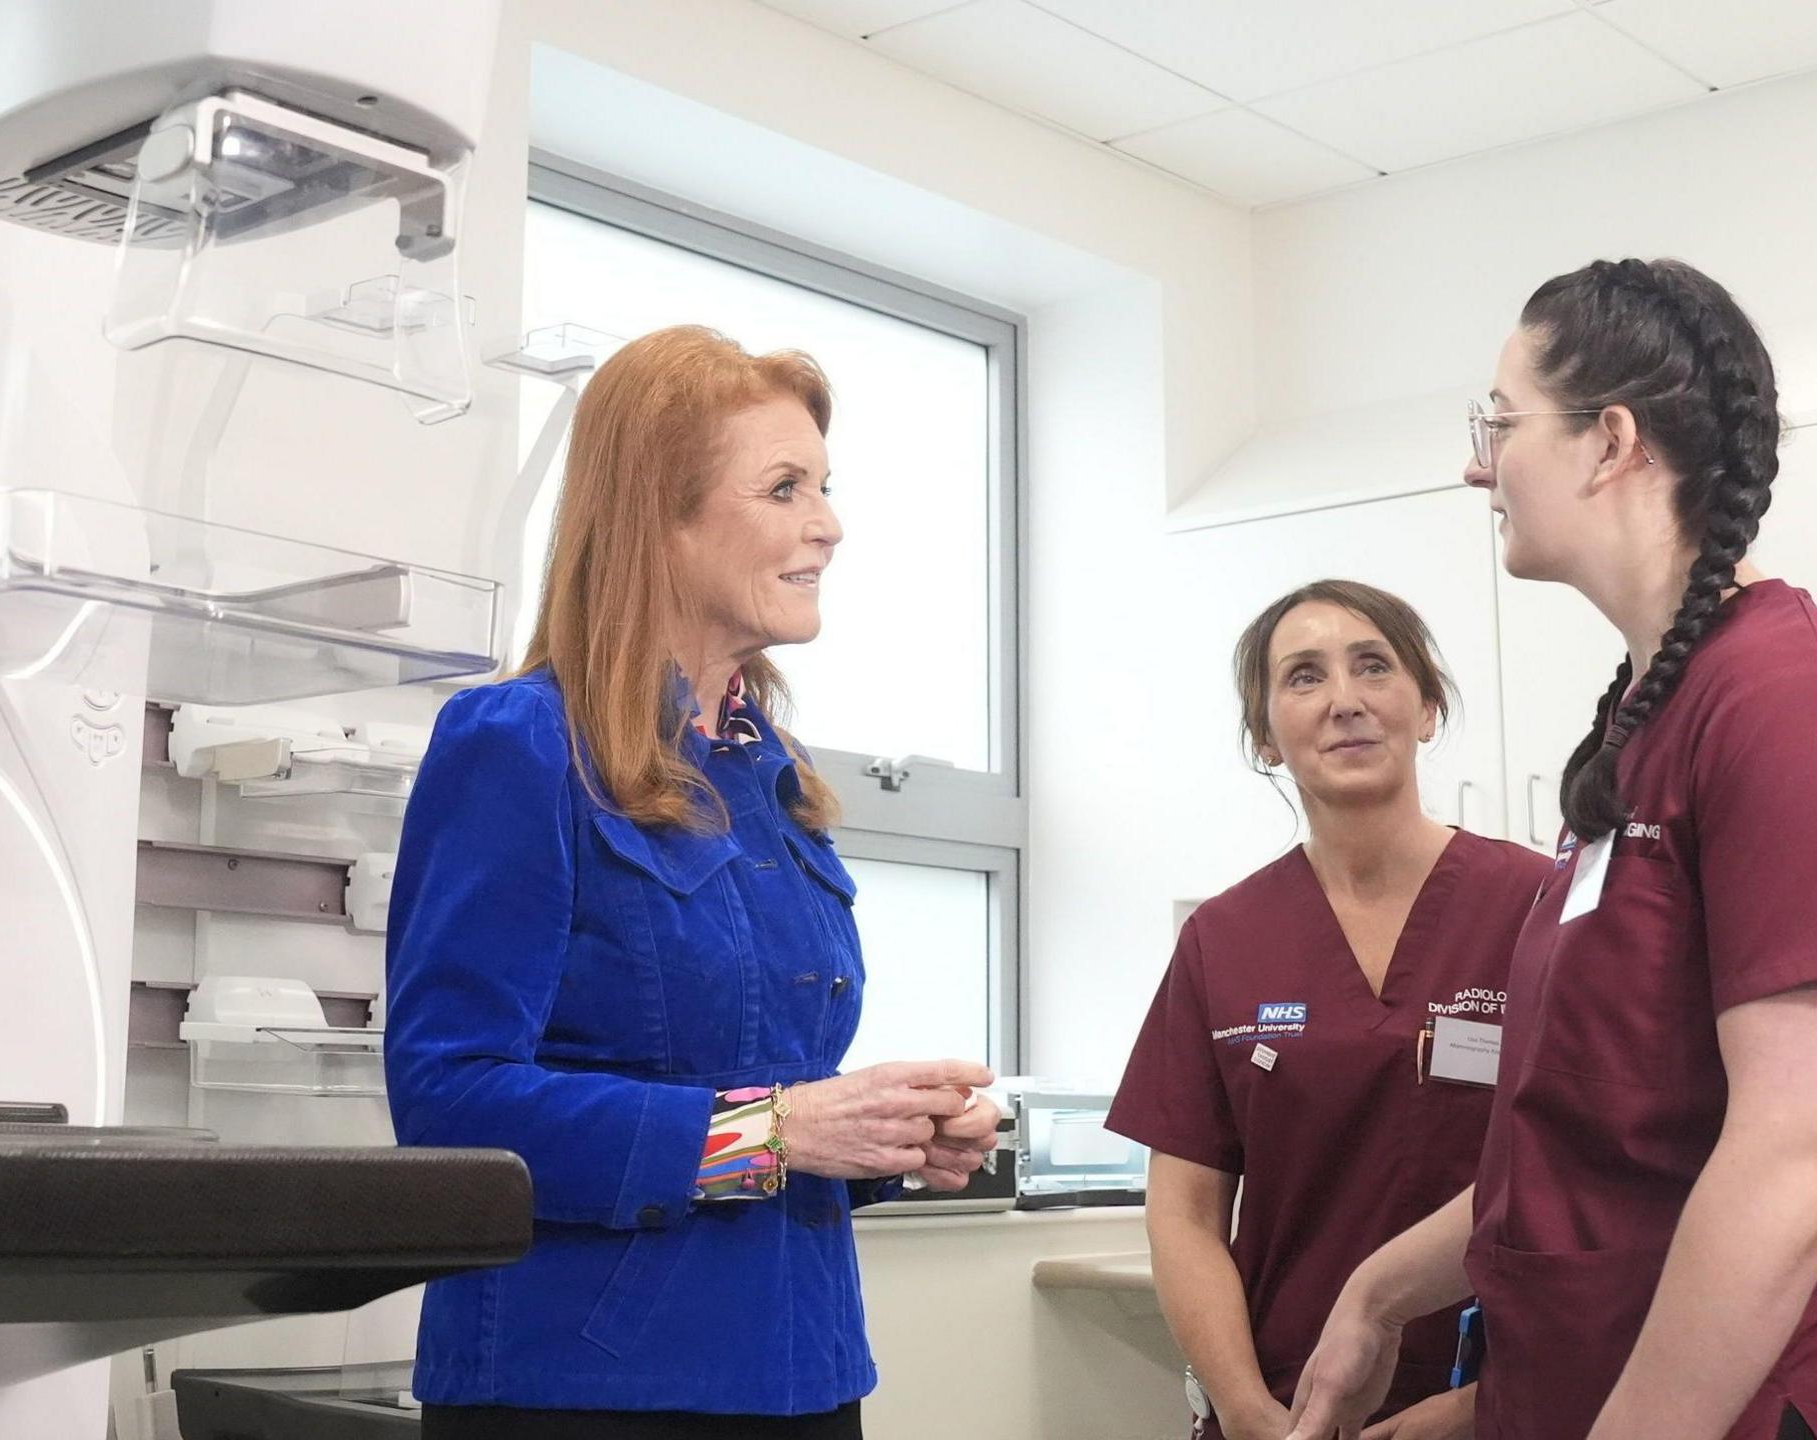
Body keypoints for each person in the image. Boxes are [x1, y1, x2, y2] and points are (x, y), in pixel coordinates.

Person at [1286, 259, 1817, 1440]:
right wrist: (1375, 1300)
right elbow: (1588, 1148)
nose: (1476, 464)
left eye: (1499, 422)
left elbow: (1793, 1162)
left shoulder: (1788, 701)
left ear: (1608, 442)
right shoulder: (1643, 718)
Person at [384, 325, 1001, 1439]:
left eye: (824, 486)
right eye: (783, 488)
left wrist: (881, 1138)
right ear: (657, 516)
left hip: (806, 1372)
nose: (829, 524)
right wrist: (776, 1132)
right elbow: (449, 1107)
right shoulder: (518, 744)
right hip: (586, 1391)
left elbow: (772, 1101)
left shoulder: (772, 776)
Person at [1110, 580, 1553, 1440]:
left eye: (1373, 667)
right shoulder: (1223, 938)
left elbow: (1598, 1180)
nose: (1344, 700)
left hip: (1501, 1401)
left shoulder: (1537, 907)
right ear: (1264, 737)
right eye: (1304, 677)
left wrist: (1483, 1409)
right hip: (1285, 1406)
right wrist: (1245, 1409)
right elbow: (1186, 1212)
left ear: (1427, 708)